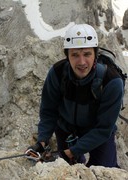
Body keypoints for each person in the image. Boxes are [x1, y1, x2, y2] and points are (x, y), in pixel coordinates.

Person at [27, 24, 124, 167]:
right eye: (75, 55)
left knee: (104, 169)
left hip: (98, 131)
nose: (82, 62)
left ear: (95, 54)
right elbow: (49, 110)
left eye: (87, 54)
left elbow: (104, 128)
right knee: (67, 169)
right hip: (66, 129)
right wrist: (42, 141)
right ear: (67, 56)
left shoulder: (111, 81)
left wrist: (71, 152)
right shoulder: (57, 73)